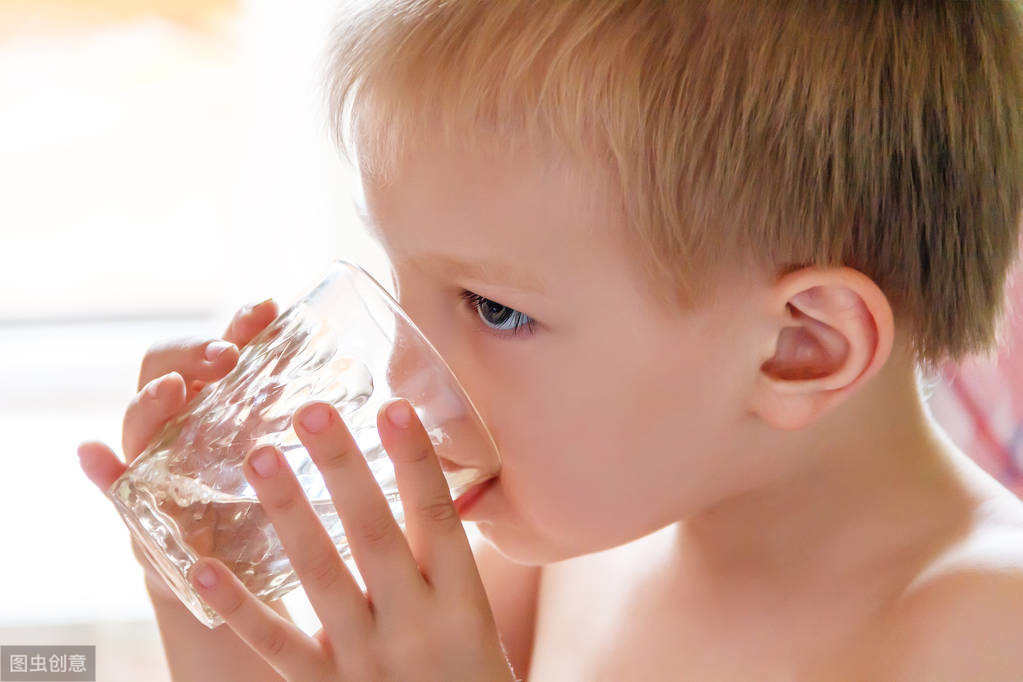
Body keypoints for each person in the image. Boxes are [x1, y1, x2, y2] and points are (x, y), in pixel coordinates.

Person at [78, 1, 1023, 679]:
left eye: (493, 310)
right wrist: (207, 597)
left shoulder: (983, 630)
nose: (401, 383)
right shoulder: (577, 549)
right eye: (401, 280)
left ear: (799, 349)